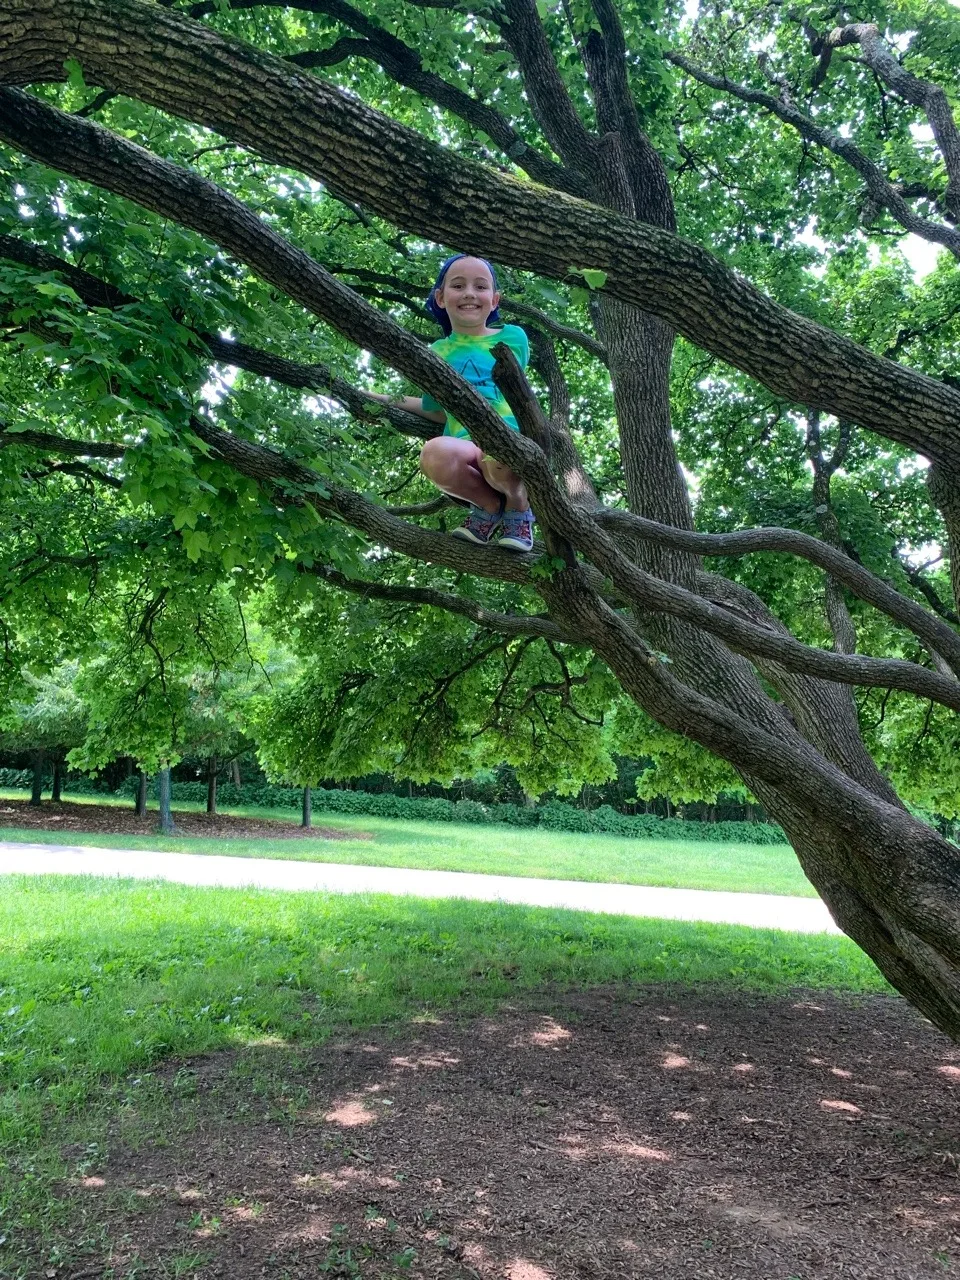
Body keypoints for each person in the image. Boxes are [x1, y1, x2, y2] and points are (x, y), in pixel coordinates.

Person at [368, 254, 535, 552]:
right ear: (441, 298)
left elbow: (521, 394)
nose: (470, 293)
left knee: (496, 456)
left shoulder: (514, 337)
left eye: (480, 287)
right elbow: (434, 409)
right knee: (434, 453)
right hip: (464, 443)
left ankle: (519, 507)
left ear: (495, 300)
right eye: (458, 286)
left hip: (508, 439)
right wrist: (384, 399)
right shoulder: (437, 351)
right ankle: (489, 507)